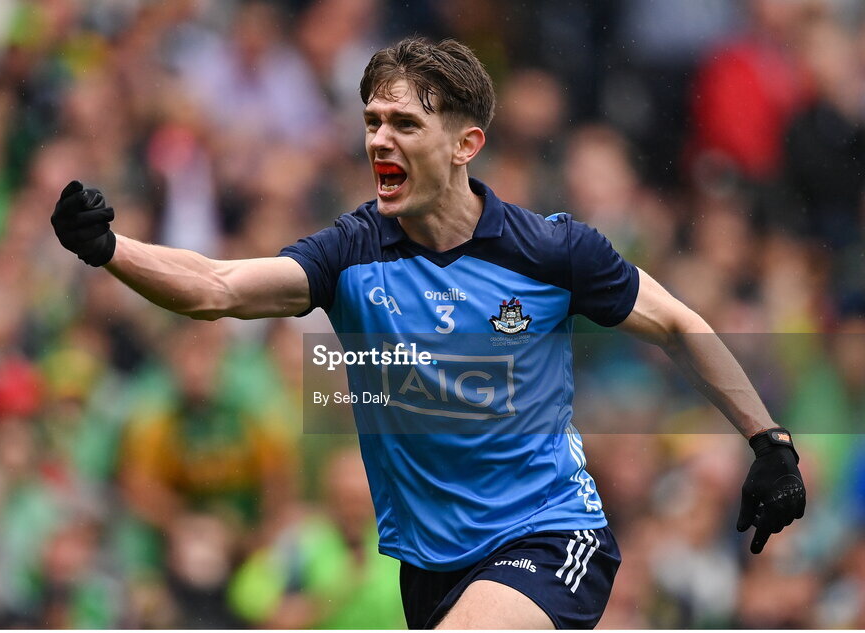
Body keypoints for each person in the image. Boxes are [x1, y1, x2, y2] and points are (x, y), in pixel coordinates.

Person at [50, 37, 806, 630]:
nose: (380, 139)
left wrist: (768, 440)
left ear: (464, 144)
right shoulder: (350, 253)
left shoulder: (550, 249)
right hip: (431, 568)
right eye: (373, 121)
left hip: (549, 537)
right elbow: (217, 288)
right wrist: (110, 249)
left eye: (405, 123)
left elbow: (676, 322)